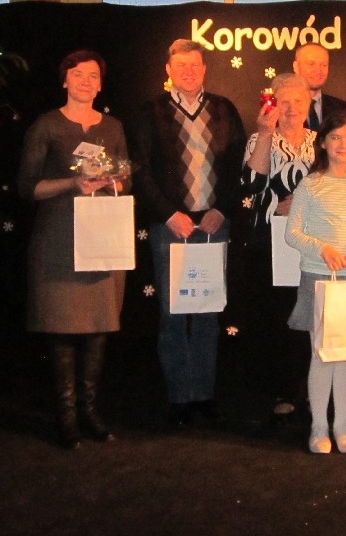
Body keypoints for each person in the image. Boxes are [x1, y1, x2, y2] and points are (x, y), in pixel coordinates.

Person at [131, 39, 247, 428]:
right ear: (168, 70)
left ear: (204, 68)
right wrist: (168, 214)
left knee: (209, 312)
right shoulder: (150, 112)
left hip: (213, 223)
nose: (189, 71)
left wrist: (221, 210)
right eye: (181, 65)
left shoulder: (224, 109)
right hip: (171, 226)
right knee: (173, 314)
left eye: (195, 64)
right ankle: (179, 397)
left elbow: (237, 166)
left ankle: (204, 395)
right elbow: (139, 168)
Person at [18, 49, 130, 449]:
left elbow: (126, 178)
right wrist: (72, 184)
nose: (86, 81)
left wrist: (112, 180)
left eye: (93, 75)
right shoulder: (46, 125)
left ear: (101, 85)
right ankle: (66, 418)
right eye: (78, 74)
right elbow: (27, 187)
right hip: (59, 240)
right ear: (64, 80)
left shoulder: (113, 126)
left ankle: (90, 412)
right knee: (61, 329)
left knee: (98, 326)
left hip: (102, 238)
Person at [285, 111, 346, 454]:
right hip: (319, 278)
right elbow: (293, 233)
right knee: (322, 354)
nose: (343, 144)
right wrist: (322, 249)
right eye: (335, 137)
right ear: (322, 142)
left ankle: (342, 425)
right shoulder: (311, 184)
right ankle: (319, 426)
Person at [241, 72, 315, 422]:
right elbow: (251, 184)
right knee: (280, 316)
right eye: (284, 101)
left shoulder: (321, 141)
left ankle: (313, 389)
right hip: (271, 241)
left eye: (298, 101)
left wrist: (302, 205)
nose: (291, 108)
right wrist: (266, 134)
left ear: (308, 105)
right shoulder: (261, 138)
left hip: (314, 240)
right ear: (272, 104)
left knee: (312, 314)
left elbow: (335, 185)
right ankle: (283, 390)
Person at [293, 42, 346, 131]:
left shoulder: (341, 109)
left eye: (323, 65)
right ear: (296, 67)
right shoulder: (280, 108)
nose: (318, 71)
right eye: (311, 64)